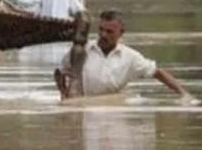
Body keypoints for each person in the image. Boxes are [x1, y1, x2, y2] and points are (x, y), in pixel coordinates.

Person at [56, 9, 193, 100]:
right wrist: (63, 94)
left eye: (109, 32)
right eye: (101, 30)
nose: (103, 35)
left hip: (111, 107)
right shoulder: (81, 50)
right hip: (83, 105)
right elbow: (60, 72)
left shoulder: (131, 57)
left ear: (121, 33)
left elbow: (158, 73)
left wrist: (184, 94)